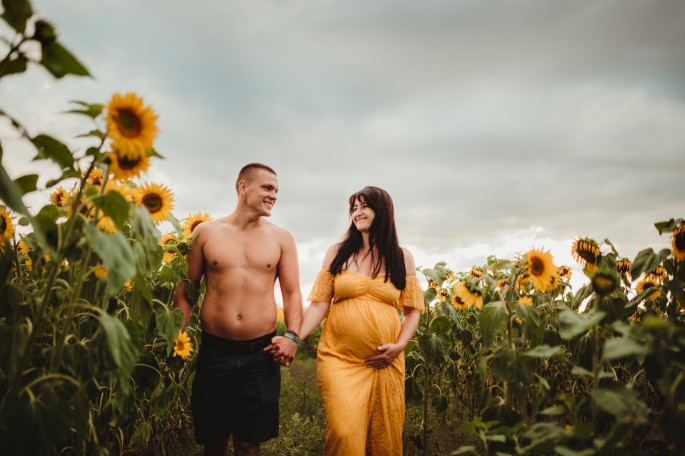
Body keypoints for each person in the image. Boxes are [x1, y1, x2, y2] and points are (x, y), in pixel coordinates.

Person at [269, 185, 424, 455]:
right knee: (344, 433)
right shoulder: (337, 253)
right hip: (340, 358)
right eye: (354, 208)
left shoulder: (402, 258)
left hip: (385, 363)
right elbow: (319, 306)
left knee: (384, 439)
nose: (357, 212)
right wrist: (294, 336)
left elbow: (412, 311)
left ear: (383, 211)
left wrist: (399, 346)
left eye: (364, 206)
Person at [173, 163, 303, 456]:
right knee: (215, 440)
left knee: (248, 442)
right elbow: (187, 291)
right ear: (243, 187)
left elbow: (292, 293)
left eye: (277, 191)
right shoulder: (206, 233)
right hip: (215, 351)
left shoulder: (281, 238)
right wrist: (174, 335)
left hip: (261, 354)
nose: (274, 196)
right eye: (267, 188)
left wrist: (293, 336)